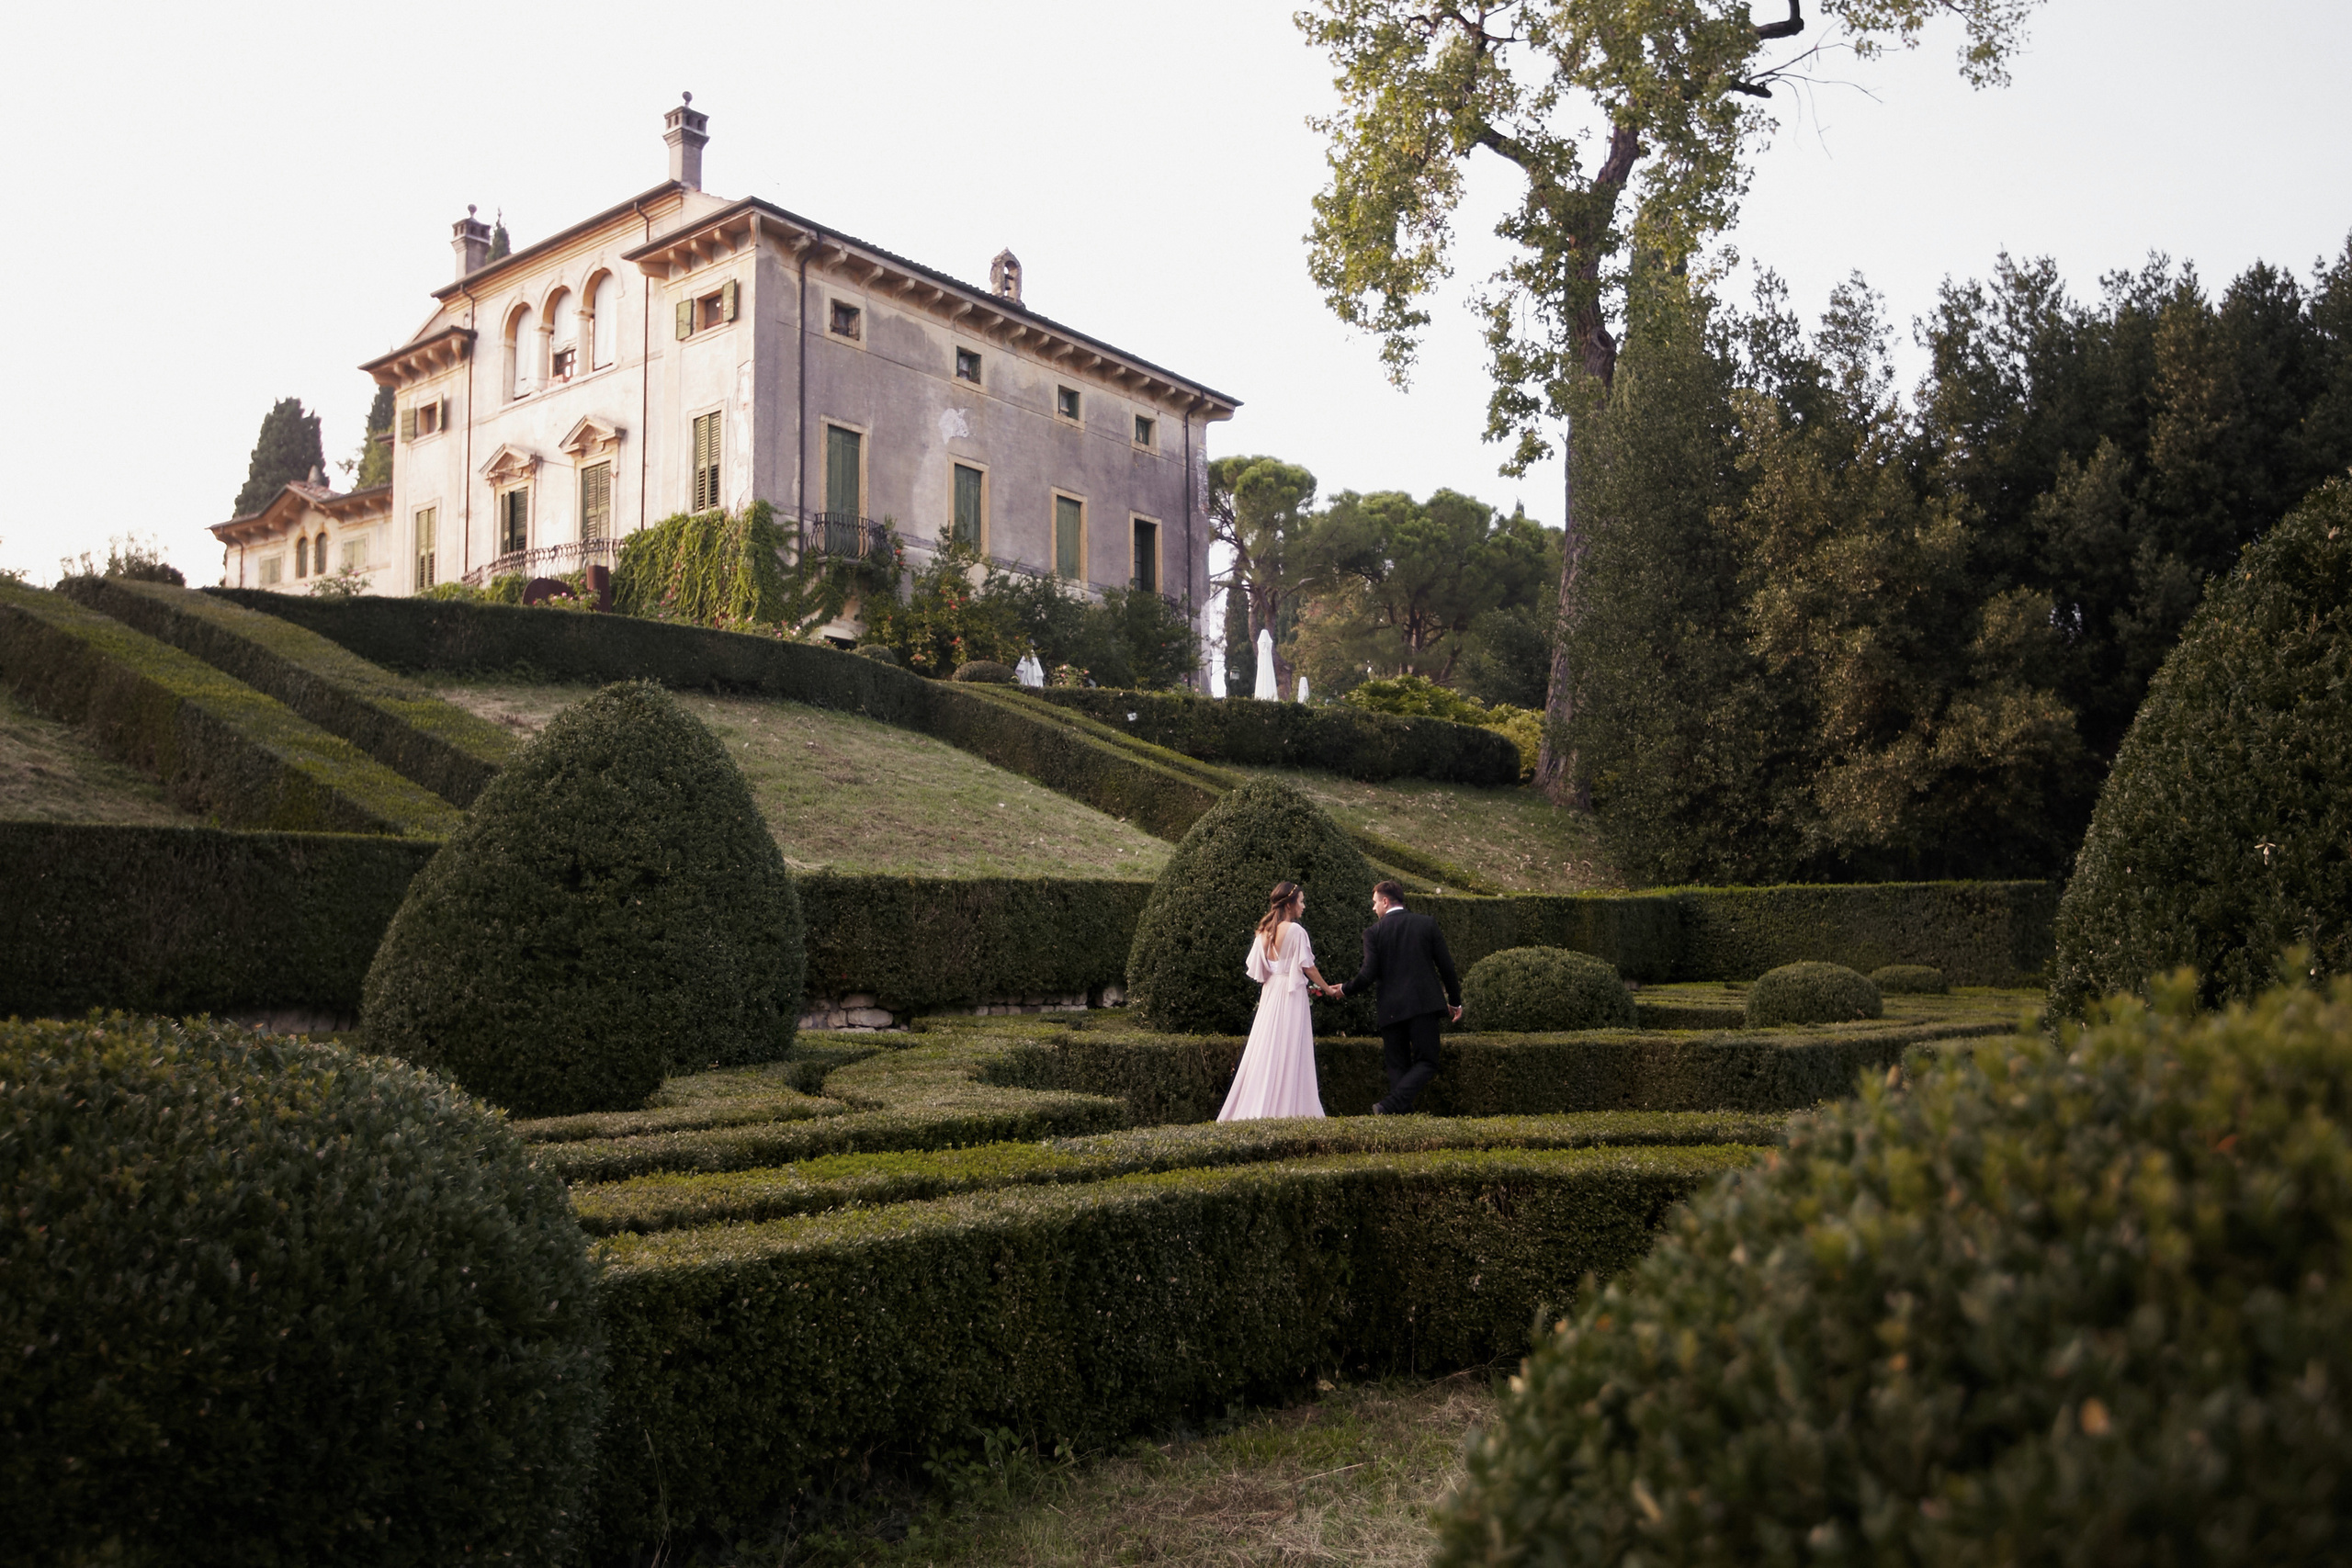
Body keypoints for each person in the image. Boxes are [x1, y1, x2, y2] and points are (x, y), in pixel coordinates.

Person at [1329, 879, 1461, 1114]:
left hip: (1390, 1009)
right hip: (1423, 1006)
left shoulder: (1373, 933)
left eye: (1375, 903)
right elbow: (1447, 966)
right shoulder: (1426, 924)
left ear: (1386, 901)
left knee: (1397, 1065)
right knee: (1427, 1062)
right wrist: (1454, 1000)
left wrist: (1345, 989)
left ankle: (1400, 1116)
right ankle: (1390, 1107)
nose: (1373, 908)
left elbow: (1367, 974)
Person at [1216, 880, 1334, 1121]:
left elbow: (1260, 971)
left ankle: (1264, 1102)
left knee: (1268, 1046)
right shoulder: (1296, 931)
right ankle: (1289, 1107)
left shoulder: (1264, 932)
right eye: (1301, 901)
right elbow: (1308, 967)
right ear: (1290, 904)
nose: (1304, 906)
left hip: (1271, 994)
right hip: (1290, 995)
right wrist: (1328, 989)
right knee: (1290, 1046)